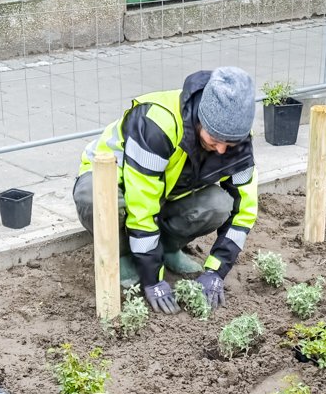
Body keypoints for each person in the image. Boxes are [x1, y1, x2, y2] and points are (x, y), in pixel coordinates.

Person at [74, 66, 260, 313]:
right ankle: (123, 255)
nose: (222, 150)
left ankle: (169, 248)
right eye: (214, 140)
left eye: (230, 143)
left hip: (166, 192)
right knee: (98, 200)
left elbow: (243, 211)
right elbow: (142, 205)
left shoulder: (236, 141)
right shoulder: (157, 124)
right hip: (113, 181)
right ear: (200, 118)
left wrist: (217, 271)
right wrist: (152, 278)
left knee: (219, 205)